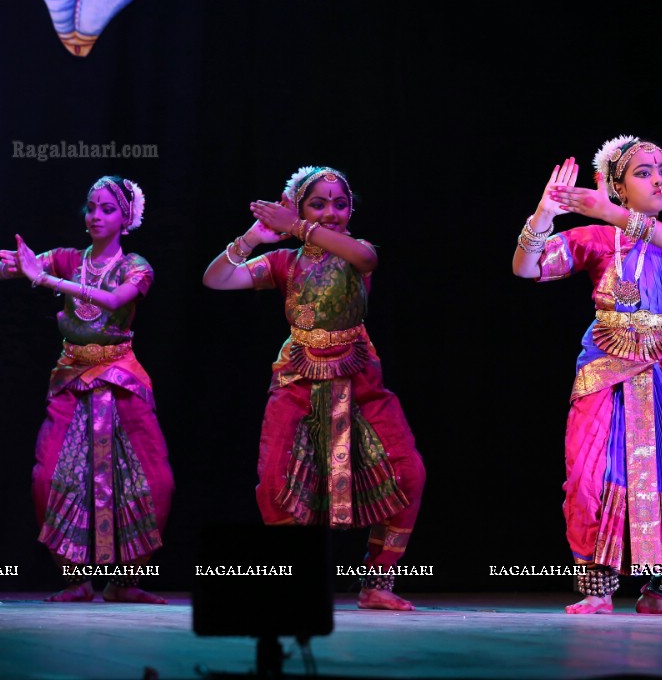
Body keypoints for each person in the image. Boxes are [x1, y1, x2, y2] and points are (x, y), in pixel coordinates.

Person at [512, 136, 662, 615]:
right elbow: (526, 268)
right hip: (607, 368)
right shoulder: (594, 240)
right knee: (595, 478)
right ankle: (598, 591)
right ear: (616, 186)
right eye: (643, 172)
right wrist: (543, 216)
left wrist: (607, 211)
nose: (658, 179)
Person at [201, 166, 425, 612]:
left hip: (359, 377)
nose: (331, 212)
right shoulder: (284, 263)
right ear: (298, 208)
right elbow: (216, 279)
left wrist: (299, 226)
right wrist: (253, 239)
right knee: (273, 483)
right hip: (298, 378)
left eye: (340, 203)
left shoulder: (356, 254)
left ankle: (378, 581)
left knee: (408, 473)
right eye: (317, 204)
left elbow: (367, 260)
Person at [1, 176, 172, 603]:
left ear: (126, 217)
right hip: (71, 377)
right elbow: (20, 267)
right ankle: (74, 580)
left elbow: (114, 301)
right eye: (91, 207)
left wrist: (44, 280)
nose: (96, 215)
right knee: (49, 477)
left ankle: (126, 582)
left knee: (154, 480)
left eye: (107, 209)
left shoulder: (138, 266)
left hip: (120, 376)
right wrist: (14, 266)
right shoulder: (67, 258)